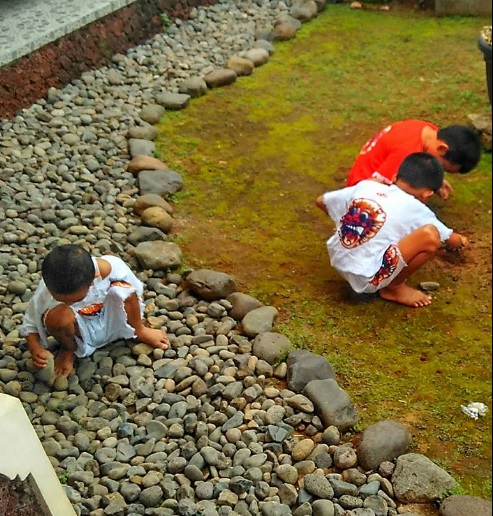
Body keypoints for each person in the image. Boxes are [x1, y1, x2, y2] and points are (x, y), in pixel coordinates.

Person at [317, 152, 469, 308]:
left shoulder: (368, 186)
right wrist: (461, 241)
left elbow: (321, 201)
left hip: (337, 257)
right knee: (430, 235)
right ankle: (394, 288)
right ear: (428, 193)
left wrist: (348, 225)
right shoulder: (418, 209)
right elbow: (451, 240)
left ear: (395, 177)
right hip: (367, 278)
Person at [20, 245, 169, 377]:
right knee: (55, 317)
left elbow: (135, 293)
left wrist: (138, 325)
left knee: (124, 290)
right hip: (79, 332)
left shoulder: (114, 268)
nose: (68, 303)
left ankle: (139, 330)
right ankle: (68, 349)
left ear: (93, 280)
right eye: (60, 299)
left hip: (114, 320)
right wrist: (35, 347)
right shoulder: (47, 288)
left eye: (74, 300)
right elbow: (30, 322)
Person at [346, 120, 482, 200]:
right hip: (361, 191)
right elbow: (382, 188)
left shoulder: (428, 130)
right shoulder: (404, 154)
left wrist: (435, 179)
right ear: (442, 148)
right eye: (443, 167)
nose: (440, 170)